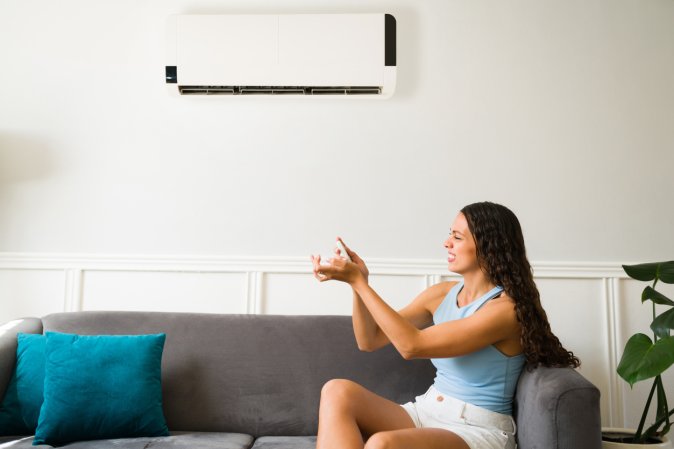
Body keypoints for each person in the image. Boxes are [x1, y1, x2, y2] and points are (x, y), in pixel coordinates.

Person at [310, 201, 580, 449]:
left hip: (475, 428)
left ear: (488, 246)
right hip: (427, 411)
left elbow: (411, 346)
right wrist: (359, 284)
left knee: (383, 444)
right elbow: (369, 340)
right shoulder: (441, 295)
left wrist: (358, 282)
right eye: (449, 234)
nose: (446, 243)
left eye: (457, 237)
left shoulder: (506, 311)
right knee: (337, 390)